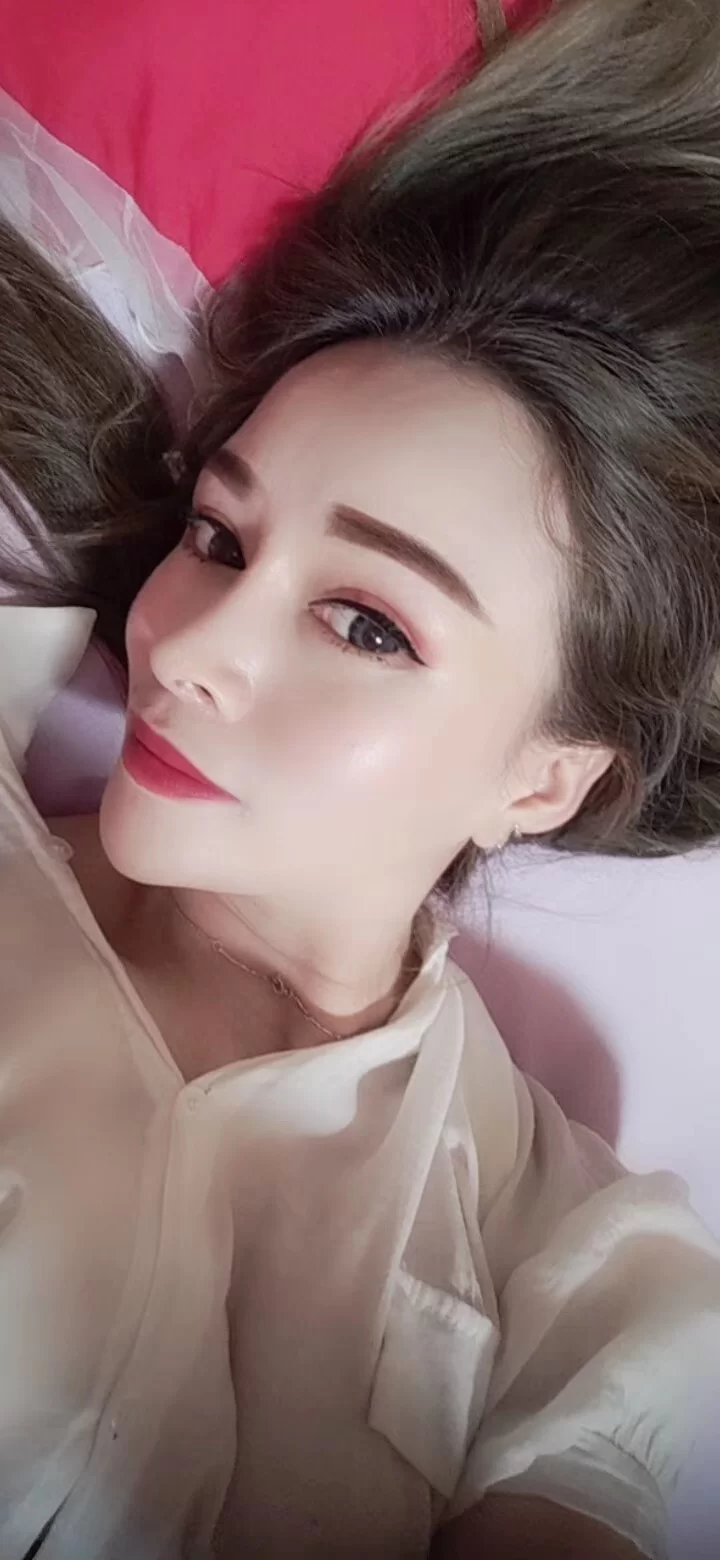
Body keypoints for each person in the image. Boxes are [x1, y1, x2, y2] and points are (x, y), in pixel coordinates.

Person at [1, 0, 720, 1556]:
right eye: (218, 535)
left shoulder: (583, 1276)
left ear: (545, 780)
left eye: (366, 624)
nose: (188, 643)